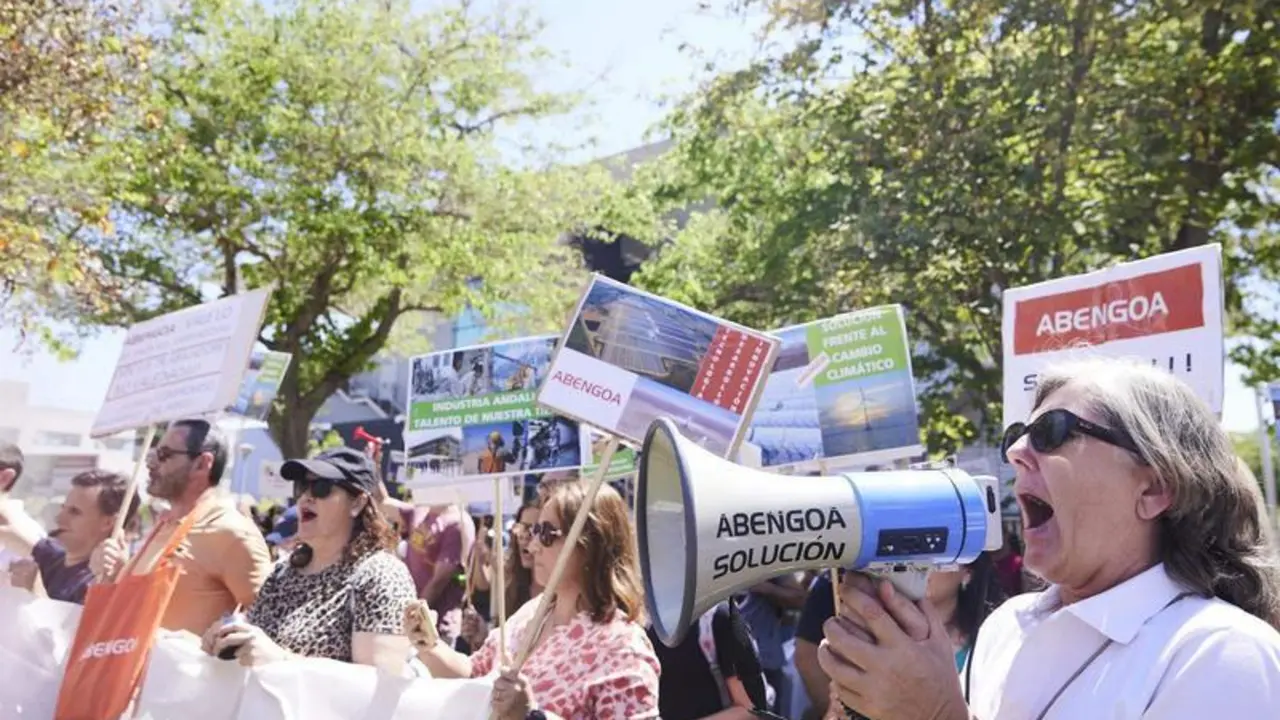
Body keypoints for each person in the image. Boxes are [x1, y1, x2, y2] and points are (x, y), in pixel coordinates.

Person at [818, 359, 1280, 719]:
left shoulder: (1222, 652)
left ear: (1154, 487)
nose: (1016, 452)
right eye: (1017, 435)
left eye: (1051, 431)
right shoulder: (1007, 625)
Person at [409, 482, 659, 719]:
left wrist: (531, 715)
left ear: (590, 544)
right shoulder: (533, 611)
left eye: (548, 533)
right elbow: (475, 673)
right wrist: (429, 644)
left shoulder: (623, 647)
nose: (533, 545)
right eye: (535, 531)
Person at [202, 447, 416, 673]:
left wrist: (282, 660)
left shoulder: (382, 575)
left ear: (357, 503)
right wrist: (228, 638)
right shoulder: (283, 573)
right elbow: (257, 648)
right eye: (302, 487)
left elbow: (379, 682)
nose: (306, 497)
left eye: (321, 488)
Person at [92, 419, 273, 635]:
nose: (151, 464)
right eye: (153, 453)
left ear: (202, 464)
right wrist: (116, 575)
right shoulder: (165, 525)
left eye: (164, 454)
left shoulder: (229, 531)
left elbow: (270, 621)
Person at [794, 554, 1005, 719]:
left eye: (936, 547)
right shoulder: (867, 640)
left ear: (968, 570)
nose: (919, 561)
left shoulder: (996, 645)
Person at [0, 470, 140, 604]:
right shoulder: (52, 557)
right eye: (63, 508)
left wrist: (35, 594)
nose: (59, 518)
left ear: (108, 522)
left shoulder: (101, 584)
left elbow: (77, 627)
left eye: (74, 512)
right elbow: (9, 526)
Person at [460, 500, 543, 650]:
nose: (524, 537)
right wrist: (483, 636)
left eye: (535, 529)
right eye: (521, 528)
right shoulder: (513, 587)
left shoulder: (562, 596)